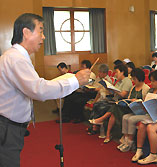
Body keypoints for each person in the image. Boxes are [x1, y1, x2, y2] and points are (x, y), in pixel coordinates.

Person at [0, 13, 90, 167]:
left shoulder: (16, 56)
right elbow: (39, 90)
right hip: (7, 127)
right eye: (40, 31)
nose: (44, 37)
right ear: (26, 32)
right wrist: (76, 80)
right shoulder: (16, 59)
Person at [118, 70, 157, 152]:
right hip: (146, 111)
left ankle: (130, 142)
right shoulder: (150, 90)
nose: (151, 83)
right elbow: (145, 101)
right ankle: (125, 140)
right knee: (125, 117)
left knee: (131, 119)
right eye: (151, 81)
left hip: (153, 114)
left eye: (153, 81)